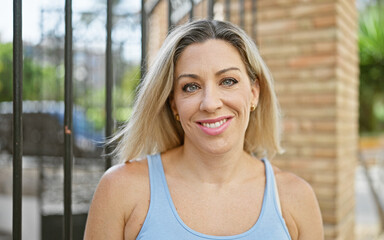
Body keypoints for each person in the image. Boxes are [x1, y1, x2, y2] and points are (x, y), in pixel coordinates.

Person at [84, 19, 323, 240]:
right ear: (173, 104)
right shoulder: (121, 189)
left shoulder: (296, 197)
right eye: (191, 87)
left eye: (228, 81)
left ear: (254, 93)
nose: (210, 103)